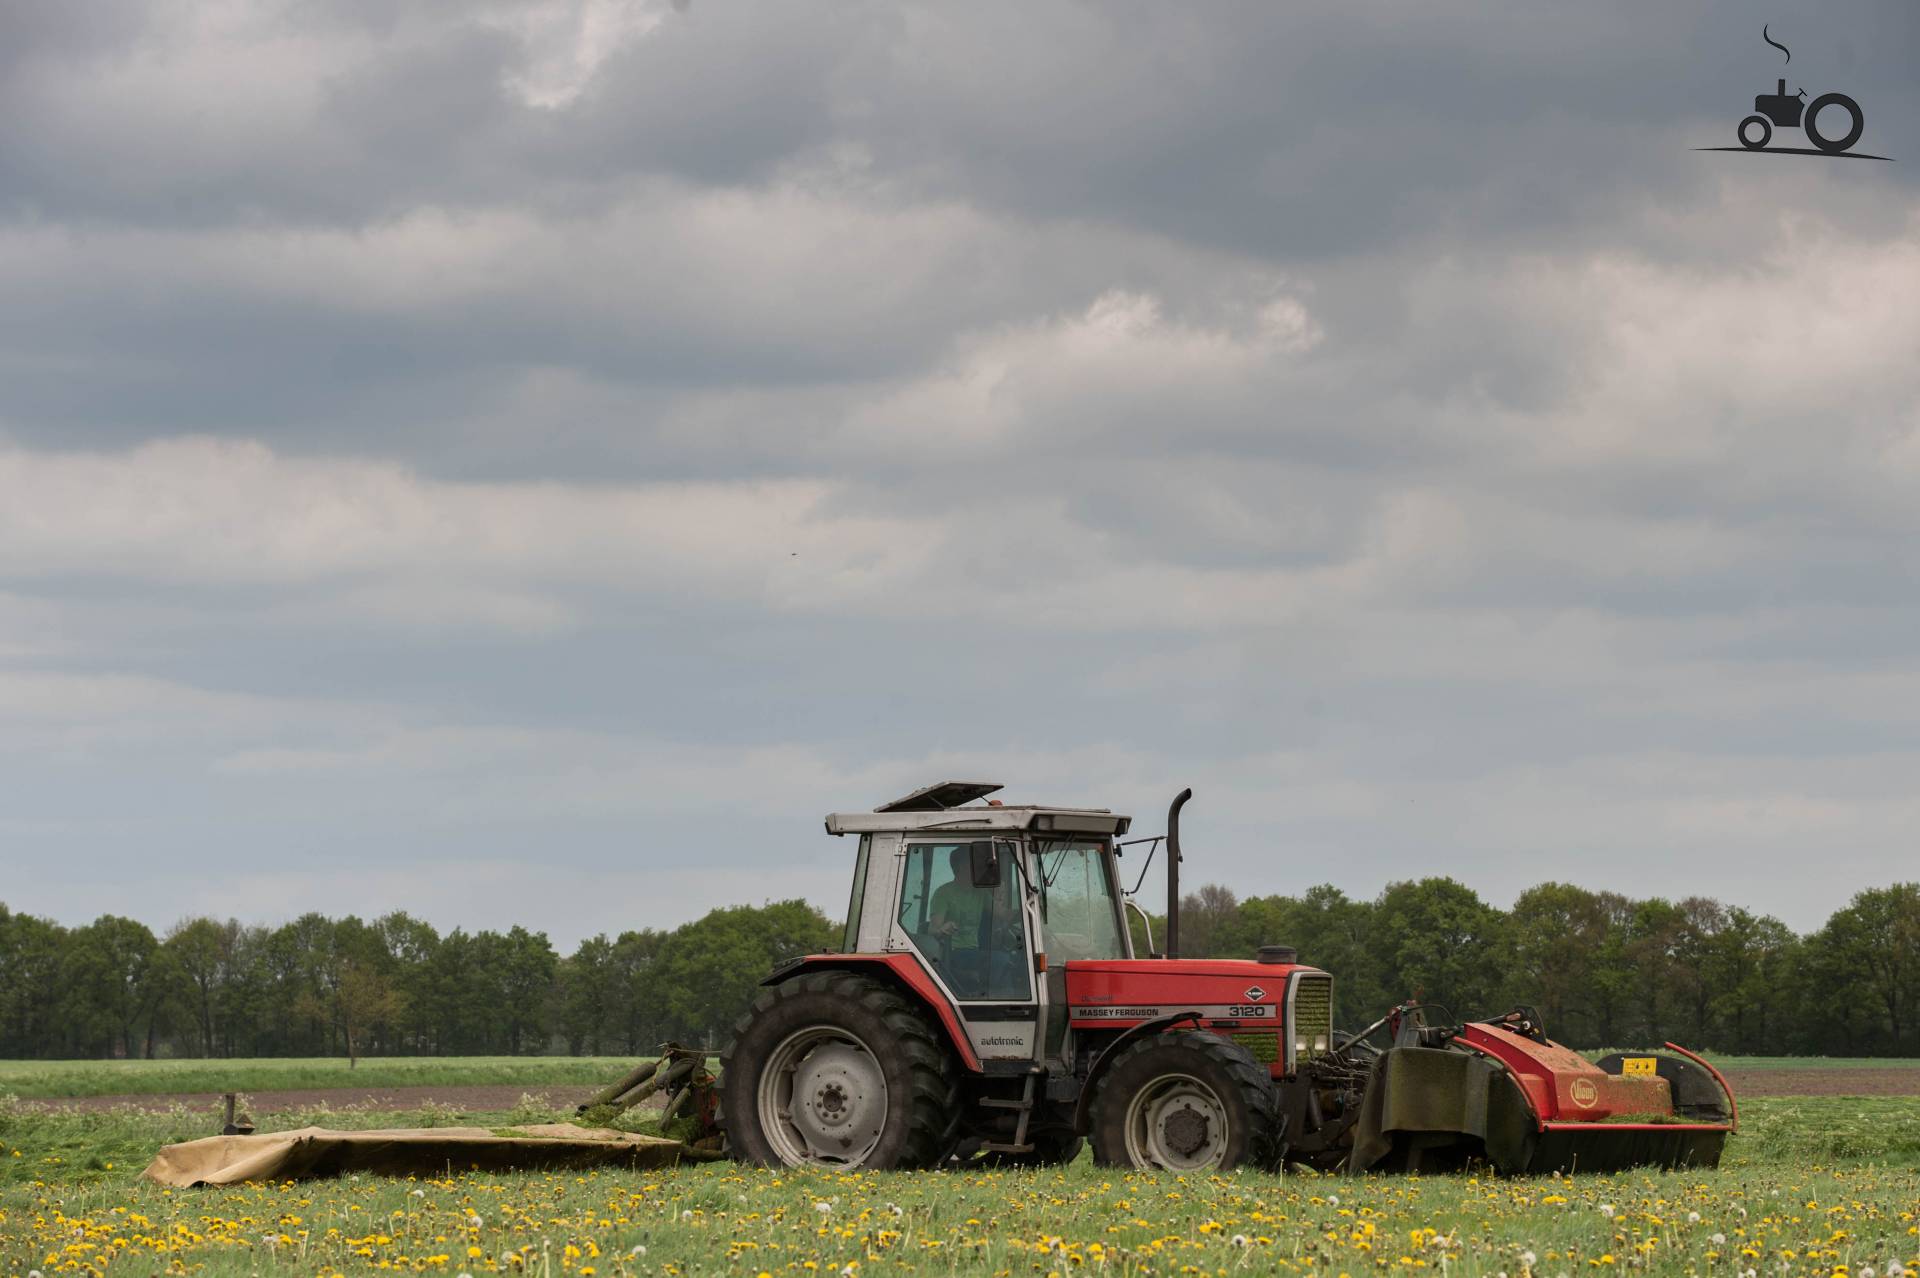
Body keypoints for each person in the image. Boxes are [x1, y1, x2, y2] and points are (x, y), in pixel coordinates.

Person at [928, 845, 1024, 998]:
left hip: (973, 951)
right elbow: (933, 929)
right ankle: (1006, 1002)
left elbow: (1004, 914)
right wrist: (943, 928)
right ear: (960, 867)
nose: (979, 868)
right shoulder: (943, 893)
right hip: (953, 953)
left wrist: (1028, 910)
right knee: (1000, 960)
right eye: (974, 863)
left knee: (1017, 959)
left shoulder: (980, 893)